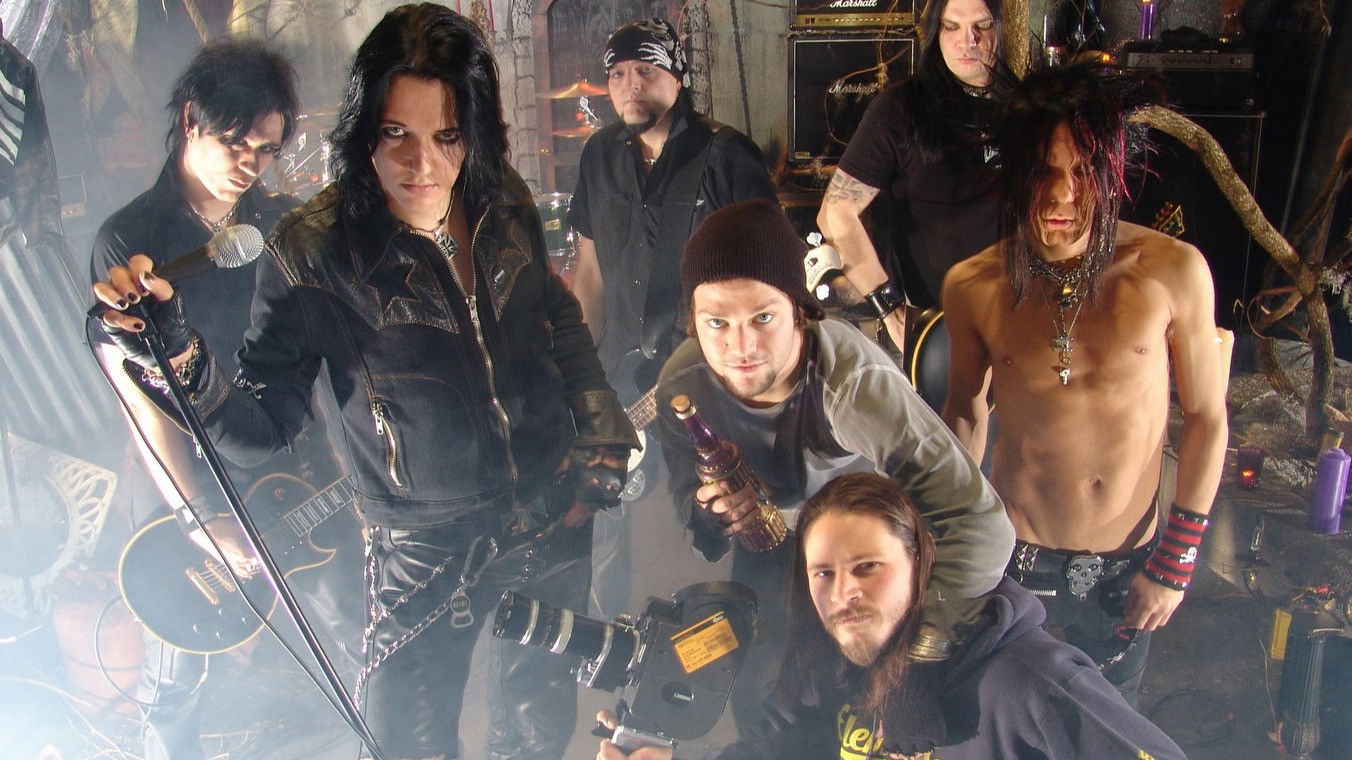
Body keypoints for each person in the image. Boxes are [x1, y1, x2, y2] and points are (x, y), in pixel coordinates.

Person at [91, 5, 639, 760]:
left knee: (535, 734)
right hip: (424, 547)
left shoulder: (502, 196)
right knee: (404, 744)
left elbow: (555, 314)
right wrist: (178, 352)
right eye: (396, 134)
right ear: (362, 132)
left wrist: (598, 419)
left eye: (447, 136)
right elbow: (260, 430)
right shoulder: (310, 246)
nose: (424, 164)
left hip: (552, 514)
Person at [86, 39, 357, 760]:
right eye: (235, 143)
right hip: (188, 472)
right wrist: (197, 514)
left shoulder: (279, 223)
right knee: (178, 669)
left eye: (266, 150)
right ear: (189, 120)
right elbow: (140, 398)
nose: (250, 164)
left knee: (357, 633)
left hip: (284, 457)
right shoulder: (131, 239)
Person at [654, 198, 1012, 732]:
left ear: (799, 310)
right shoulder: (683, 387)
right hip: (771, 549)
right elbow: (691, 513)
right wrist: (712, 514)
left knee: (864, 707)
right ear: (692, 322)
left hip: (862, 553)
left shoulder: (852, 388)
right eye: (716, 323)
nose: (739, 347)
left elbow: (980, 526)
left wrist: (917, 656)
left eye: (763, 317)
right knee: (763, 705)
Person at [940, 64, 1229, 705]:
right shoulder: (974, 284)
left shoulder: (1172, 272)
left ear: (1112, 173)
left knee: (1106, 730)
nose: (1062, 196)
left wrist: (1177, 561)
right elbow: (965, 413)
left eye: (1083, 172)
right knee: (1007, 724)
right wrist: (949, 538)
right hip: (1015, 563)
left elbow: (1208, 417)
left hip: (1130, 571)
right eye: (1042, 171)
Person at [596, 472, 1187, 760]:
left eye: (867, 567)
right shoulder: (836, 666)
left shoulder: (1027, 683)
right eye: (823, 573)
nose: (844, 593)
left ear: (919, 565)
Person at [566, 17, 776, 618]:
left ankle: (742, 630)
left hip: (705, 378)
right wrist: (579, 373)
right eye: (617, 74)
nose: (630, 85)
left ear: (676, 77)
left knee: (723, 514)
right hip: (619, 378)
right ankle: (608, 636)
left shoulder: (725, 154)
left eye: (646, 71)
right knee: (605, 521)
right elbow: (590, 272)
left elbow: (765, 276)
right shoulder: (599, 156)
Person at [816, 0, 1014, 350]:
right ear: (935, 31)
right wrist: (890, 310)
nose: (967, 41)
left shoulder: (1024, 105)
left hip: (1013, 317)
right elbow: (835, 212)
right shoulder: (901, 108)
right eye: (951, 26)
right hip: (934, 325)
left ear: (1001, 28)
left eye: (981, 26)